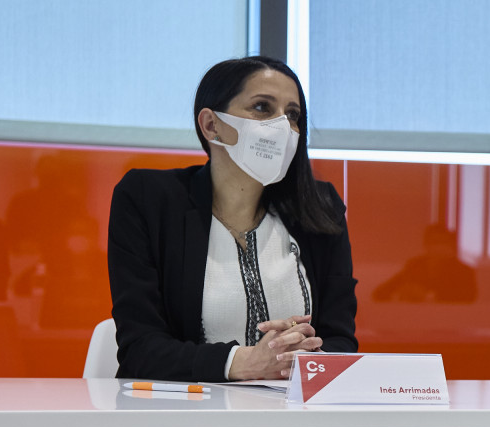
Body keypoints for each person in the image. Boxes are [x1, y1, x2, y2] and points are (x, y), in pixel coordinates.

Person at [108, 56, 357, 381]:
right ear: (212, 125)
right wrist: (242, 361)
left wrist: (307, 359)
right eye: (262, 108)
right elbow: (140, 350)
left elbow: (341, 342)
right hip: (185, 416)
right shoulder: (148, 200)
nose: (282, 126)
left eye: (292, 115)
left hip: (293, 418)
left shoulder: (320, 208)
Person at [372, 223, 476, 303]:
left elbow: (468, 298)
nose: (438, 246)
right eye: (433, 242)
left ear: (451, 245)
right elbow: (379, 293)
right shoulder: (414, 265)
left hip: (449, 324)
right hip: (414, 322)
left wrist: (428, 297)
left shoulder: (464, 271)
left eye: (442, 242)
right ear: (426, 244)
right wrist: (400, 294)